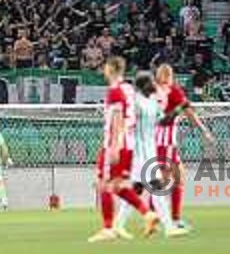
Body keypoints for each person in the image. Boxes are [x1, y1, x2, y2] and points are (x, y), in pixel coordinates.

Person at [88, 56, 159, 243]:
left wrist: (115, 145)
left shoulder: (115, 91)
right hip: (129, 143)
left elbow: (118, 118)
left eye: (105, 67)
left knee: (103, 183)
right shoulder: (128, 89)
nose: (103, 70)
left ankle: (108, 228)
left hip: (115, 143)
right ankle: (147, 214)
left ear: (111, 69)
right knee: (118, 186)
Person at [114, 73, 187, 238]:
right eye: (150, 82)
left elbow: (163, 122)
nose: (154, 84)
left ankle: (118, 225)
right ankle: (169, 227)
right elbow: (127, 121)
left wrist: (177, 110)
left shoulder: (153, 102)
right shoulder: (136, 103)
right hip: (138, 153)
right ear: (143, 85)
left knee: (137, 189)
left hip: (149, 152)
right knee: (157, 188)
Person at [155, 64, 214, 230]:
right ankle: (172, 219)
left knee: (164, 180)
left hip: (153, 141)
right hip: (166, 143)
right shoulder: (173, 91)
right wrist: (205, 132)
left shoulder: (151, 92)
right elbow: (190, 113)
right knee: (175, 180)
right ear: (170, 75)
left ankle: (156, 217)